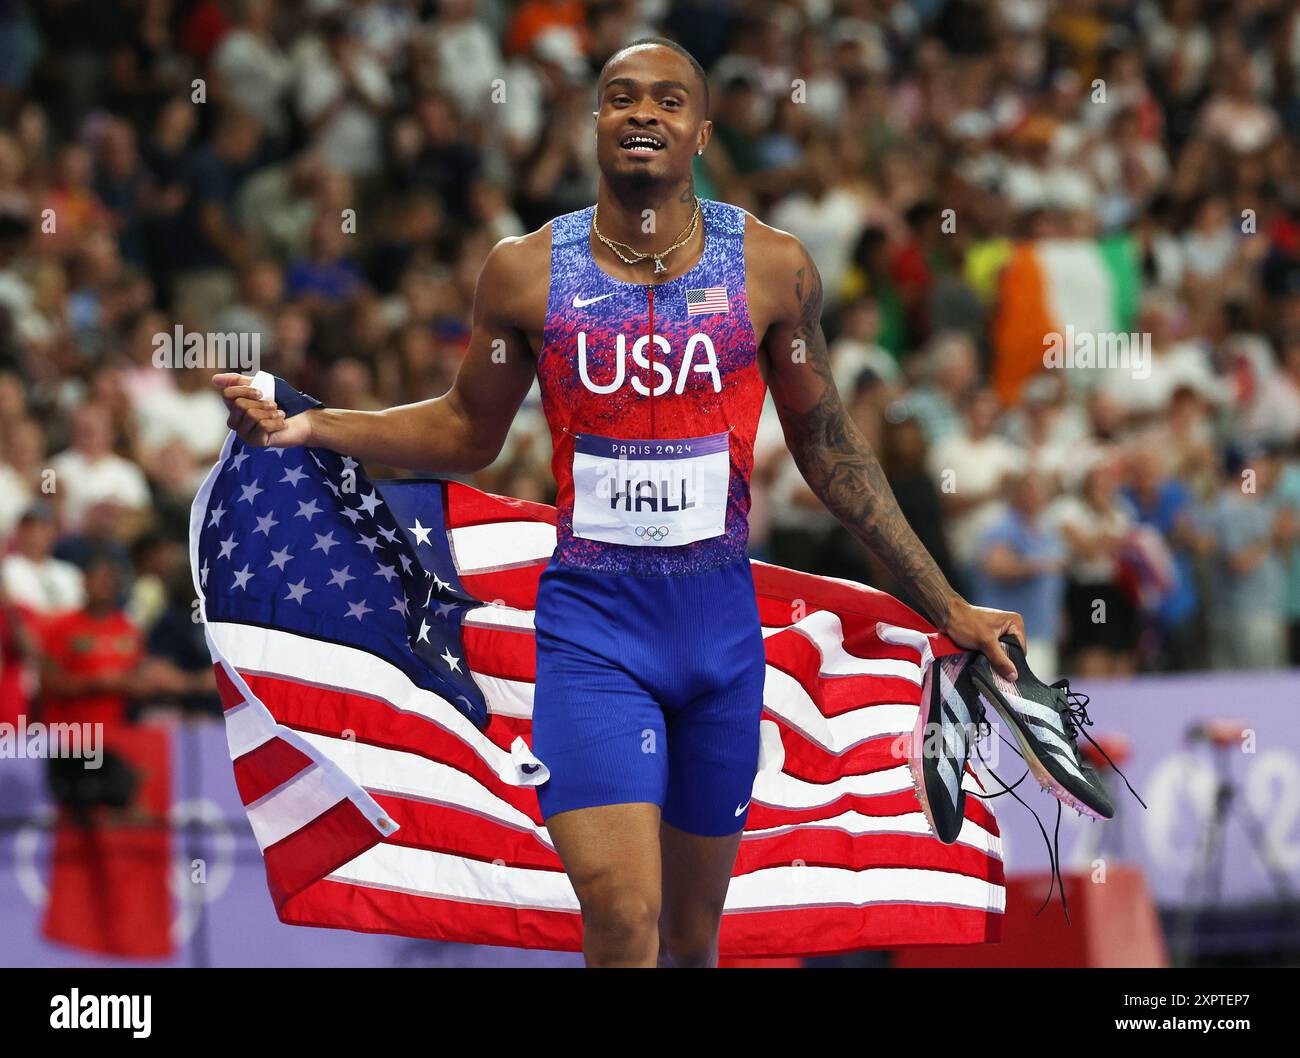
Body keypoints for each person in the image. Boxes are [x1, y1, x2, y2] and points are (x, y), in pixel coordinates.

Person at [212, 38, 1025, 968]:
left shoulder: (772, 268)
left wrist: (946, 604)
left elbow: (828, 447)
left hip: (719, 640)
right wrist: (317, 430)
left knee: (690, 940)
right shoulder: (524, 271)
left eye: (668, 101)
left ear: (702, 130)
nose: (643, 113)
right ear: (595, 122)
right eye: (621, 98)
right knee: (623, 917)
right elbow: (464, 433)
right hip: (593, 636)